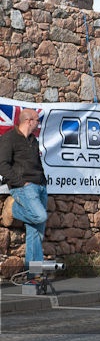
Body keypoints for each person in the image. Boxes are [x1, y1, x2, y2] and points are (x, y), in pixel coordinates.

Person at [0, 109, 48, 270]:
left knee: (35, 235)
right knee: (40, 216)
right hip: (24, 188)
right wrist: (20, 183)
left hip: (40, 187)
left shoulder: (33, 140)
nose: (38, 123)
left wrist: (43, 182)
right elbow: (3, 165)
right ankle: (13, 209)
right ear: (29, 121)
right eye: (36, 120)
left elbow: (37, 164)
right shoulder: (9, 138)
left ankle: (34, 275)